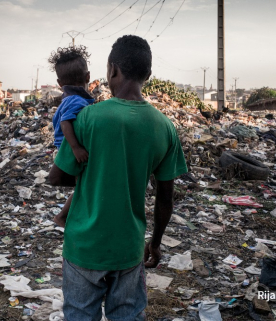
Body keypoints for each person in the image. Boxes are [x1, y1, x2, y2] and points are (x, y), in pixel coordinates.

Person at [48, 35, 187, 319]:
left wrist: (95, 174)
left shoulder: (88, 117)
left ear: (112, 70)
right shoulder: (164, 127)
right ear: (148, 74)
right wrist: (155, 243)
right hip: (129, 249)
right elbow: (165, 199)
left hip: (84, 248)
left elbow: (56, 177)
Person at [48, 45, 94, 227]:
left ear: (60, 83)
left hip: (66, 147)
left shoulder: (68, 98)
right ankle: (62, 217)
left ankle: (69, 215)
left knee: (83, 187)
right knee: (84, 186)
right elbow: (65, 123)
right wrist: (76, 148)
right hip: (68, 149)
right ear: (88, 77)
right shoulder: (76, 100)